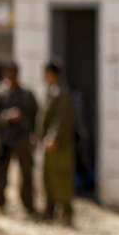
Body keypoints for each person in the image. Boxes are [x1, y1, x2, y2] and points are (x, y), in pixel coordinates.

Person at [0, 61, 39, 214]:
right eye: (9, 73)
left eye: (14, 73)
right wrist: (6, 117)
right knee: (1, 175)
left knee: (26, 175)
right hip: (4, 139)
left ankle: (28, 206)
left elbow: (35, 116)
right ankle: (0, 204)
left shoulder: (27, 94)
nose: (12, 76)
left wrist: (33, 136)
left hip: (22, 140)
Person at [39, 59, 76, 225]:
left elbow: (61, 119)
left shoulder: (61, 92)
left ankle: (66, 213)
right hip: (50, 144)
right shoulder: (51, 90)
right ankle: (50, 210)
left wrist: (53, 137)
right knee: (48, 178)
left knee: (62, 178)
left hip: (59, 145)